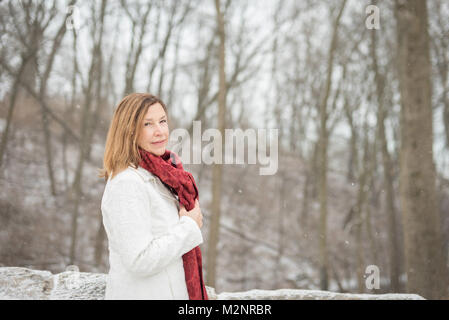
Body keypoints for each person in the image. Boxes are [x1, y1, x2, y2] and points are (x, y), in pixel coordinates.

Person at [98, 93, 208, 300]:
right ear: (129, 130)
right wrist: (188, 226)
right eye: (148, 124)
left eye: (162, 121)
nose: (160, 131)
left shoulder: (161, 177)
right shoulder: (127, 183)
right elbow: (139, 259)